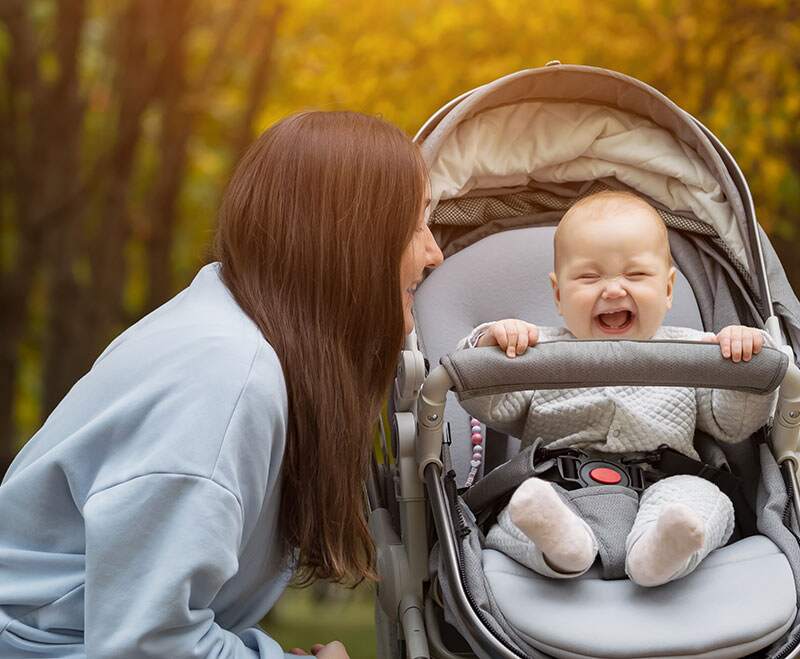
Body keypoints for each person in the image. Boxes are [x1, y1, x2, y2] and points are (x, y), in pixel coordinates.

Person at [0, 111, 443, 658]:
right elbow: (142, 646)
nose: (434, 254)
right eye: (417, 223)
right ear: (352, 237)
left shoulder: (236, 345)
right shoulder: (223, 382)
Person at [458, 190, 775, 587]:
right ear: (558, 295)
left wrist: (744, 361)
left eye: (636, 274)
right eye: (589, 277)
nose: (612, 290)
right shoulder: (539, 351)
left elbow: (733, 424)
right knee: (524, 505)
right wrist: (492, 344)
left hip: (662, 485)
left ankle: (662, 550)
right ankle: (564, 547)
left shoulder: (693, 350)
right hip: (563, 485)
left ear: (668, 288)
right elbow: (488, 401)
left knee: (704, 499)